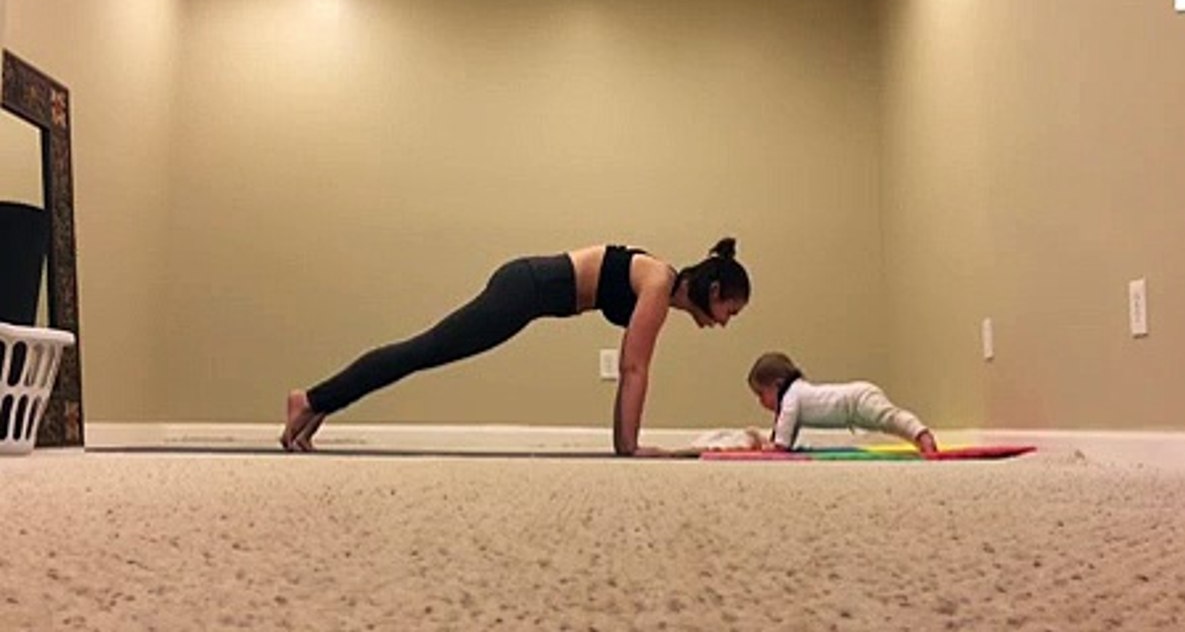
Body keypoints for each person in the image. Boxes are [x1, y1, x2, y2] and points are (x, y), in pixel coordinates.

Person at [281, 239, 751, 456]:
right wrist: (630, 448)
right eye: (730, 310)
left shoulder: (659, 286)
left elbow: (633, 368)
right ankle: (310, 399)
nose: (725, 323)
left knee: (424, 351)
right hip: (526, 287)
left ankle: (318, 404)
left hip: (527, 288)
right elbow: (634, 368)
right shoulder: (658, 283)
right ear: (714, 292)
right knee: (425, 350)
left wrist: (627, 446)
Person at [746, 352, 937, 454]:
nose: (760, 401)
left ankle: (921, 434)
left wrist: (776, 446)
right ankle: (918, 438)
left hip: (856, 400)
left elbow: (783, 437)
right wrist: (772, 443)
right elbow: (786, 432)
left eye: (761, 393)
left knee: (889, 418)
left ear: (778, 385)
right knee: (888, 423)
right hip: (853, 404)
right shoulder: (795, 393)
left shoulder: (791, 396)